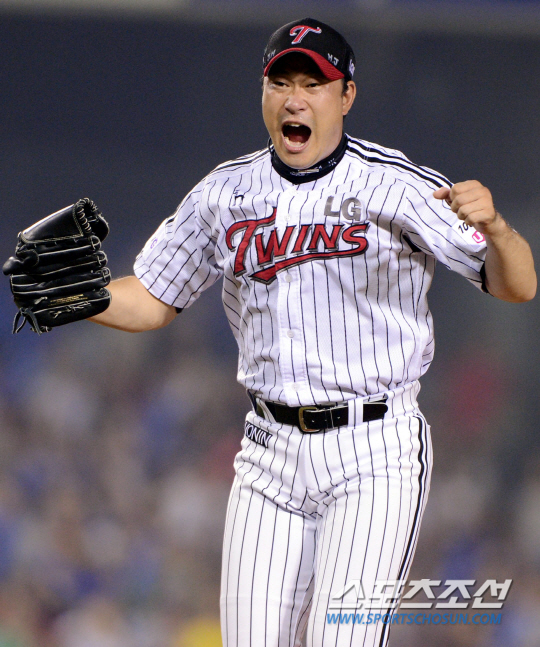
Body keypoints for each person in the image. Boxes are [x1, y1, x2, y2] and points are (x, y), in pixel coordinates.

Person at [89, 17, 536, 647]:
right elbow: (153, 298)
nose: (294, 98)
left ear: (346, 96)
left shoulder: (395, 184)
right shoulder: (224, 193)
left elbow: (517, 284)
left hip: (373, 449)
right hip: (268, 452)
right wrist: (76, 297)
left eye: (313, 83)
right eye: (281, 82)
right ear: (264, 92)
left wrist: (499, 231)